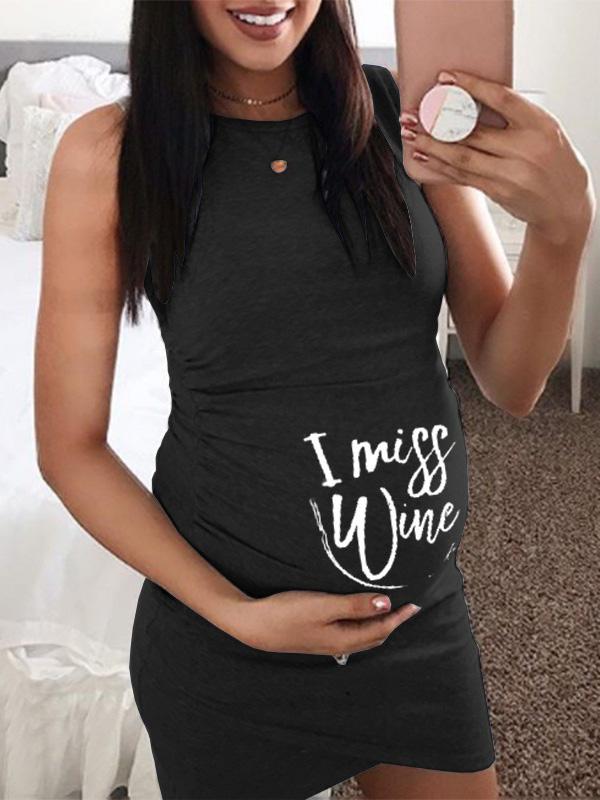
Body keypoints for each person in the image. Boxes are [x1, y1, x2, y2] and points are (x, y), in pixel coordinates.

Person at [35, 1, 595, 799]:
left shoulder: (404, 117)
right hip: (230, 649)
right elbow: (70, 448)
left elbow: (511, 382)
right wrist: (235, 613)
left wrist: (564, 228)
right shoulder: (111, 153)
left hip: (416, 625)